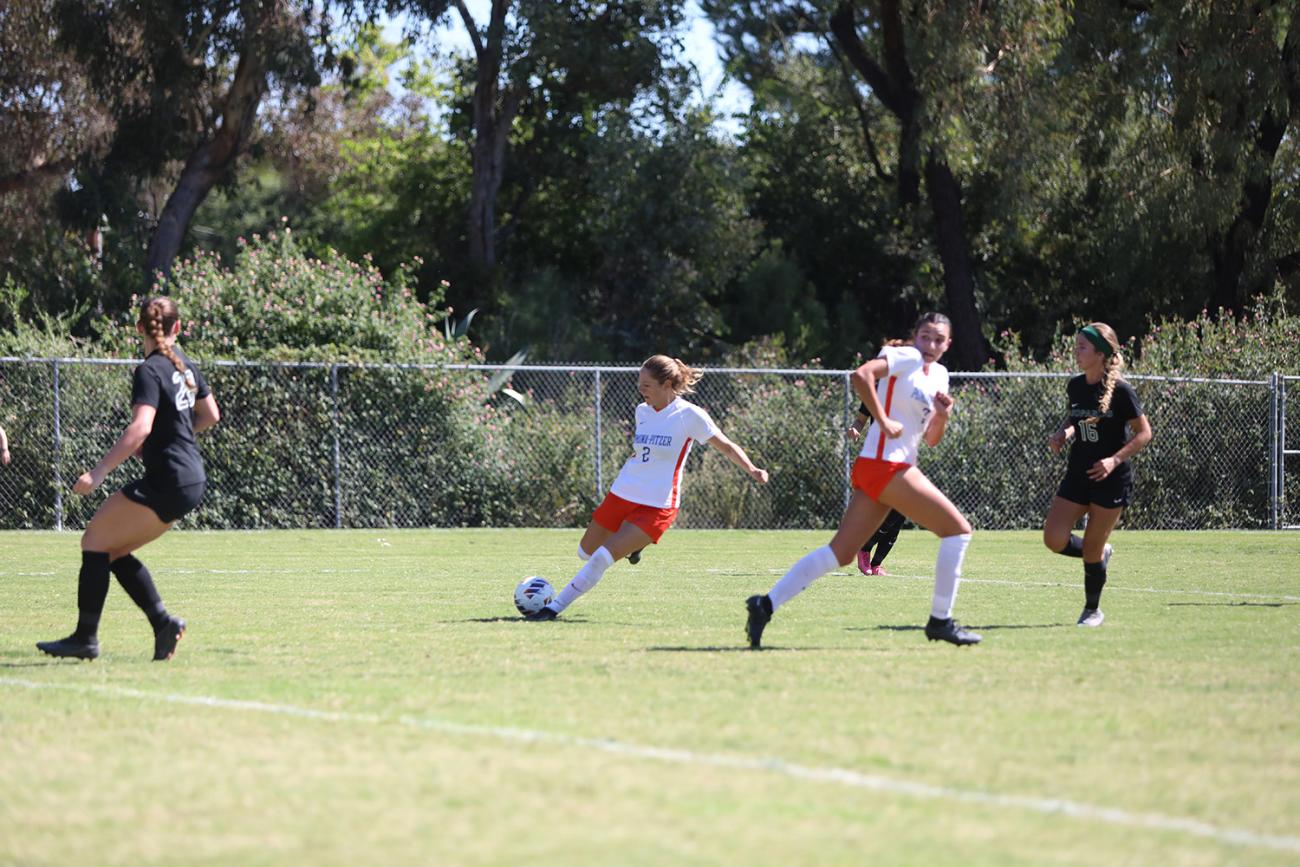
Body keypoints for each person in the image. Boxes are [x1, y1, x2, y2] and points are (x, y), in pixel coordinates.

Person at [745, 312, 980, 648]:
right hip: (886, 466)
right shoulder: (906, 356)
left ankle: (764, 605)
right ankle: (940, 621)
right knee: (958, 531)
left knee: (839, 553)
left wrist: (943, 415)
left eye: (938, 340)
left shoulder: (940, 375)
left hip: (884, 468)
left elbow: (931, 439)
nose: (930, 345)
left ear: (949, 344)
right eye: (925, 336)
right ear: (914, 335)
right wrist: (882, 420)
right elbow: (861, 375)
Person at [37, 297, 220, 661]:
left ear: (139, 329)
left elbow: (140, 428)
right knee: (113, 549)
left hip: (170, 478)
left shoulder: (150, 370)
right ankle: (163, 624)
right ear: (177, 328)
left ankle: (86, 639)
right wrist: (174, 441)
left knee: (94, 540)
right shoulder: (183, 365)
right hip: (190, 478)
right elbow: (211, 414)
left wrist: (99, 471)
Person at [526, 355, 768, 620]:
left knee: (601, 559)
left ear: (667, 384)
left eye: (647, 385)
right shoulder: (642, 411)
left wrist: (752, 469)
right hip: (623, 492)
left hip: (658, 504)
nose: (641, 390)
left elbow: (727, 446)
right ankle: (632, 545)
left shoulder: (690, 415)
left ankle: (553, 608)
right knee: (585, 552)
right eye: (639, 384)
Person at [1043, 323, 1152, 627]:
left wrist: (1113, 461)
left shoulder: (1122, 391)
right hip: (1078, 473)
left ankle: (1092, 610)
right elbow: (1081, 421)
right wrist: (1063, 433)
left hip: (1110, 478)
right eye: (1076, 346)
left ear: (1101, 353)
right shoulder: (1076, 386)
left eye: (1082, 347)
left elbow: (1144, 434)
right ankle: (1099, 553)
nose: (1076, 352)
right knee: (1053, 538)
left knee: (1090, 547)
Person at [847, 403, 905, 576]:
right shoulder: (875, 393)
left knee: (901, 514)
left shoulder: (911, 393)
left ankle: (876, 564)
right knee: (892, 510)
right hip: (878, 460)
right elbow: (860, 421)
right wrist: (854, 429)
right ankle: (864, 548)